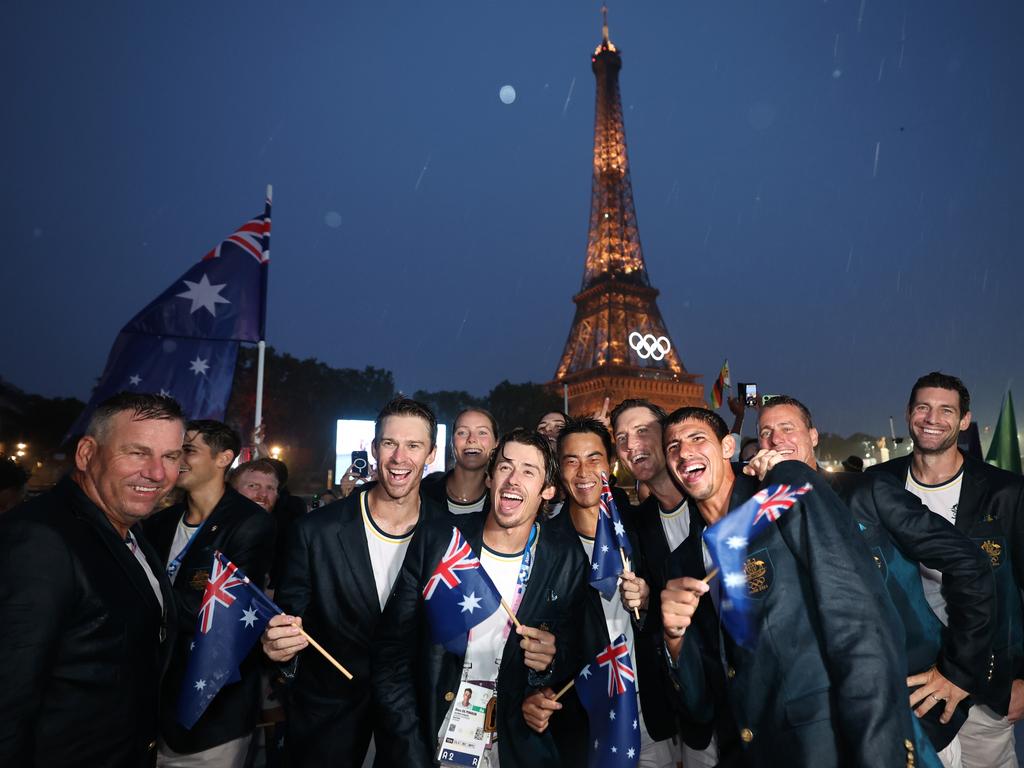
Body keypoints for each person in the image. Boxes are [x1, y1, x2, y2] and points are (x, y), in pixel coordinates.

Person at [658, 406, 937, 767]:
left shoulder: (782, 494)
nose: (684, 452)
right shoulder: (682, 564)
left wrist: (879, 750)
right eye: (672, 446)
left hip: (836, 743)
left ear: (728, 446)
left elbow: (859, 620)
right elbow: (702, 703)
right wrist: (674, 638)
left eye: (697, 438)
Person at [749, 395, 994, 757]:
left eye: (788, 428)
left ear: (814, 436)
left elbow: (968, 562)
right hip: (826, 729)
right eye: (766, 432)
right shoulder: (756, 514)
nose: (775, 439)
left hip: (907, 708)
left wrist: (960, 669)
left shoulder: (866, 491)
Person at [373, 428, 588, 767]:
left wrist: (549, 663)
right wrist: (412, 751)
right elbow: (391, 656)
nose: (513, 479)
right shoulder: (442, 543)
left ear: (548, 490)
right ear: (489, 478)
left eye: (528, 471)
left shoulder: (566, 558)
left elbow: (573, 651)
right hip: (435, 739)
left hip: (514, 745)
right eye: (505, 467)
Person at [0, 392, 183, 766]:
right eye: (137, 452)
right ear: (86, 454)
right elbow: (7, 700)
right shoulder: (39, 539)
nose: (157, 473)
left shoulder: (127, 529)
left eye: (171, 457)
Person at [260, 397, 445, 766]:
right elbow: (289, 620)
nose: (399, 457)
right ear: (374, 449)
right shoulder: (316, 531)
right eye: (390, 443)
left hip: (414, 719)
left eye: (413, 445)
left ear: (432, 453)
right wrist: (278, 648)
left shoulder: (450, 535)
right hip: (328, 715)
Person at [870, 372, 1024, 767]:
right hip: (910, 677)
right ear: (908, 415)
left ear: (964, 420)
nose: (932, 418)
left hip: (985, 681)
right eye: (923, 407)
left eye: (946, 410)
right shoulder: (878, 483)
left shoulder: (1005, 492)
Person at [144, 420, 276, 767]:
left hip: (211, 707)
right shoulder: (156, 523)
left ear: (223, 459)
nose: (177, 457)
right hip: (148, 705)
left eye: (189, 449)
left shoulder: (250, 523)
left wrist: (142, 600)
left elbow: (222, 613)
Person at [554, 416, 678, 766]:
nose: (583, 472)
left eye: (593, 459)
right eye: (571, 461)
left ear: (610, 465)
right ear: (558, 471)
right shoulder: (546, 544)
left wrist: (650, 597)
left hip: (648, 709)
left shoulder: (640, 529)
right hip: (586, 713)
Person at [609, 399, 714, 765]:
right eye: (621, 438)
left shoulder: (717, 497)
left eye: (642, 431)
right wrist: (650, 599)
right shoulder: (637, 526)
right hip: (691, 709)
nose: (631, 445)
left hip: (751, 703)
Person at [421, 407, 498, 515]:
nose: (472, 439)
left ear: (496, 443)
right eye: (462, 432)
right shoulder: (424, 491)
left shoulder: (500, 500)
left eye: (482, 432)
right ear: (452, 442)